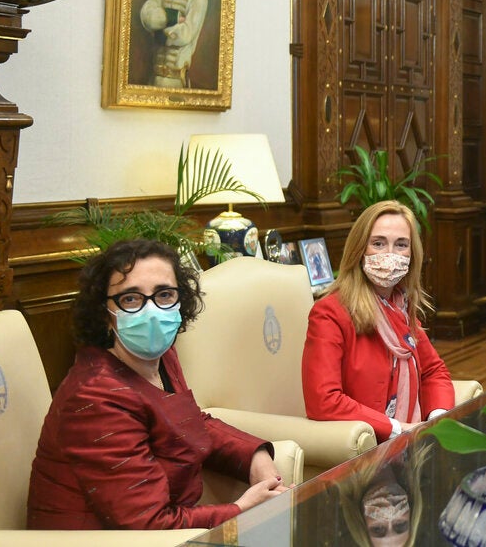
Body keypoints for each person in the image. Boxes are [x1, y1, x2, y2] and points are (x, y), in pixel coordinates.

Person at [27, 239, 288, 530]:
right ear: (104, 313)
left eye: (164, 295)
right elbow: (149, 524)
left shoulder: (162, 357)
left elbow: (187, 421)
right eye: (131, 299)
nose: (151, 310)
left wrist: (254, 456)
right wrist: (242, 510)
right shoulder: (95, 395)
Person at [302, 201, 456, 442]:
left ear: (412, 255)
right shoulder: (330, 313)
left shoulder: (400, 306)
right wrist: (398, 429)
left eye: (401, 245)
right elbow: (323, 400)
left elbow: (433, 371)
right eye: (378, 243)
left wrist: (436, 418)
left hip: (411, 440)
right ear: (359, 249)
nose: (390, 254)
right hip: (362, 447)